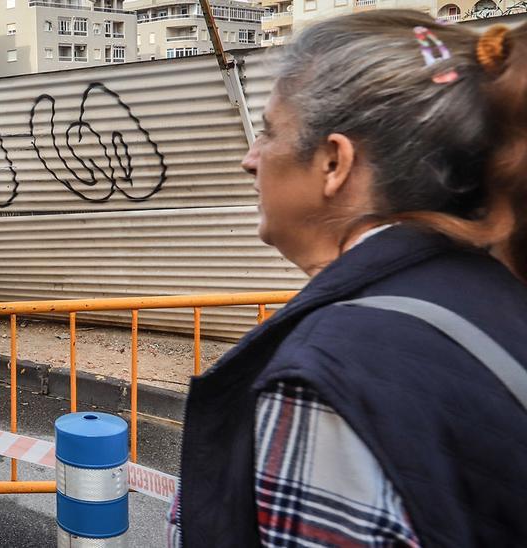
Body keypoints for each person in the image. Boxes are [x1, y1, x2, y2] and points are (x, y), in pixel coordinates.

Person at [169, 11, 527, 547]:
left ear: (334, 161)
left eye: (268, 130)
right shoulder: (498, 293)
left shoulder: (331, 374)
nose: (250, 159)